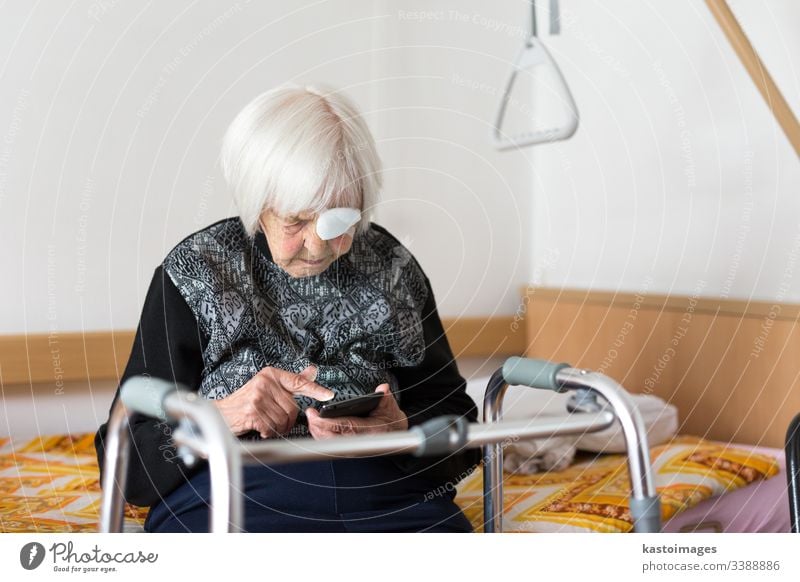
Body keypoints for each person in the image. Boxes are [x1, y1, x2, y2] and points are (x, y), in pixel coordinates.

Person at [95, 84, 480, 532]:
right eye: (296, 220)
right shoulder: (197, 271)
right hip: (235, 496)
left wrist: (404, 431)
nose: (317, 245)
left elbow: (462, 431)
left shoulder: (392, 268)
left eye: (339, 220)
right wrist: (218, 418)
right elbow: (124, 467)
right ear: (258, 205)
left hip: (386, 495)